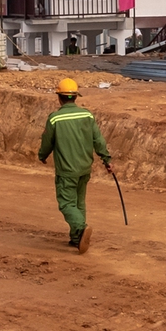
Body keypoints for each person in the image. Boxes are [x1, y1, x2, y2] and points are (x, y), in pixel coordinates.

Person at [37, 77, 112, 253]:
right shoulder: (87, 115)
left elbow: (47, 141)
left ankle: (80, 227)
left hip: (66, 170)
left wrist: (42, 155)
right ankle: (76, 239)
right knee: (79, 202)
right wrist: (106, 160)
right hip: (84, 168)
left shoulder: (55, 119)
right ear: (75, 97)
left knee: (66, 203)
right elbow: (98, 140)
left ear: (59, 97)